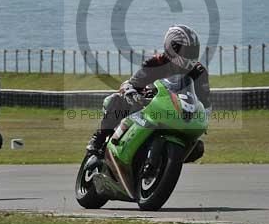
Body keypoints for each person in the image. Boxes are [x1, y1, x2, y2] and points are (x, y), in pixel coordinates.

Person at [85, 24, 211, 162]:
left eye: (193, 51)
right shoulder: (156, 62)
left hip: (177, 115)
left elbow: (205, 103)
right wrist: (131, 92)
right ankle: (99, 139)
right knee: (116, 99)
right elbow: (132, 83)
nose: (190, 55)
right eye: (186, 51)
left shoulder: (199, 71)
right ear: (172, 47)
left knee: (197, 148)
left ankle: (164, 164)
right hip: (147, 106)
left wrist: (203, 119)